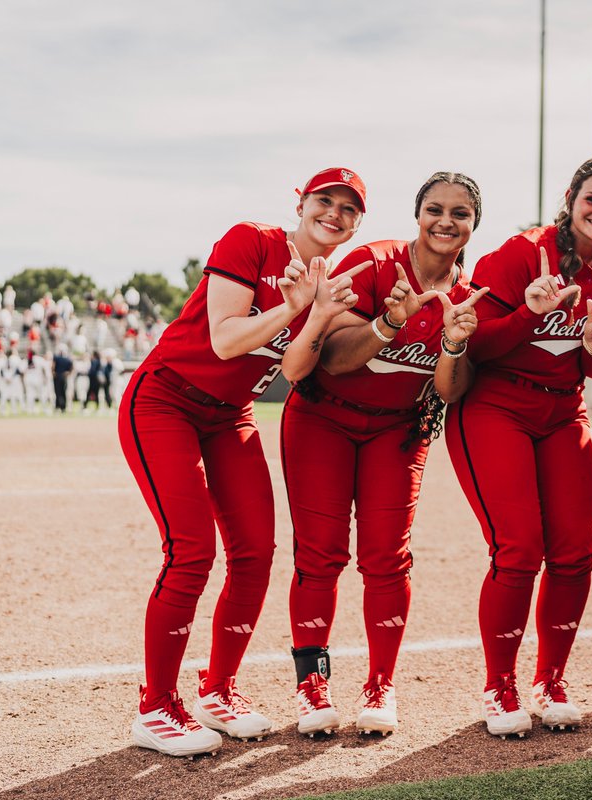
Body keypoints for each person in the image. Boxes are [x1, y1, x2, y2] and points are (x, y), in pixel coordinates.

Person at [117, 167, 368, 758]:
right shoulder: (251, 239)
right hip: (166, 399)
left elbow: (300, 366)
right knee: (191, 550)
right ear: (301, 203)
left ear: (359, 223)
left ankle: (218, 690)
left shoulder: (331, 282)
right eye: (324, 200)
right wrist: (295, 309)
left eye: (349, 208)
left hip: (230, 415)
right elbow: (227, 340)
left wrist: (345, 317)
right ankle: (155, 706)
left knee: (256, 551)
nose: (334, 213)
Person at [278, 173, 487, 737]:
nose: (446, 222)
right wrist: (391, 322)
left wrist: (454, 342)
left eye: (460, 213)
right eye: (435, 209)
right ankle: (312, 685)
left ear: (473, 224)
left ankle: (379, 684)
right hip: (323, 420)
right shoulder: (376, 264)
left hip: (396, 432)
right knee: (320, 555)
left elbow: (449, 389)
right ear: (417, 215)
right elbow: (336, 359)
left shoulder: (469, 293)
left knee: (387, 558)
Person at [445, 156, 592, 738]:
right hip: (497, 405)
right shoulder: (522, 252)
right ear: (570, 198)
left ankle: (550, 679)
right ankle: (499, 682)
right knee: (519, 549)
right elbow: (474, 348)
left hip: (562, 409)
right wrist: (529, 313)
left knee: (576, 551)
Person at [52, 346, 73, 413]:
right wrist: (68, 373)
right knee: (63, 392)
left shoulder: (57, 358)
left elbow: (53, 366)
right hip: (64, 377)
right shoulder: (68, 359)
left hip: (58, 377)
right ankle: (63, 407)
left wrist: (53, 372)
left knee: (58, 392)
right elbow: (72, 367)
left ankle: (58, 406)